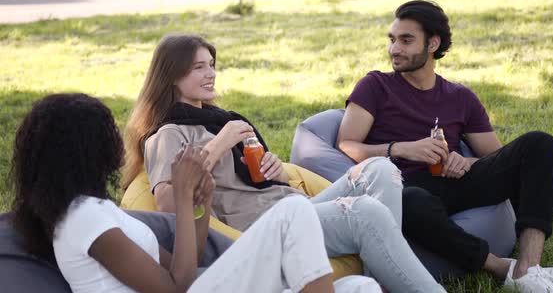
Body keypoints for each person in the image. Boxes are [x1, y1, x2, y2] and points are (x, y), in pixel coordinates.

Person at [122, 34, 447, 292]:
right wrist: (221, 143)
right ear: (171, 75)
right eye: (199, 67)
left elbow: (255, 178)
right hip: (261, 228)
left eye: (211, 64)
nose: (211, 74)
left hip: (293, 204)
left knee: (380, 169)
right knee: (364, 212)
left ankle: (382, 280)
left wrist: (275, 173)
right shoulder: (167, 134)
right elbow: (168, 202)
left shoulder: (218, 118)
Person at [9, 93, 382, 293]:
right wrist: (184, 200)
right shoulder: (82, 219)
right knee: (293, 214)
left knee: (360, 286)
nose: (116, 148)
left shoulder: (91, 209)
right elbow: (177, 286)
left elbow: (178, 265)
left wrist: (199, 204)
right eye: (105, 138)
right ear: (84, 152)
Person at [336, 0, 553, 293]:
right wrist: (401, 149)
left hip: (452, 181)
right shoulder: (375, 86)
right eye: (392, 39)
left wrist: (467, 162)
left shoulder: (459, 96)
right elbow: (346, 144)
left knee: (540, 144)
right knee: (411, 200)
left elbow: (496, 157)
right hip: (400, 186)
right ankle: (501, 268)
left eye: (406, 40)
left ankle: (529, 269)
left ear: (432, 43)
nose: (394, 49)